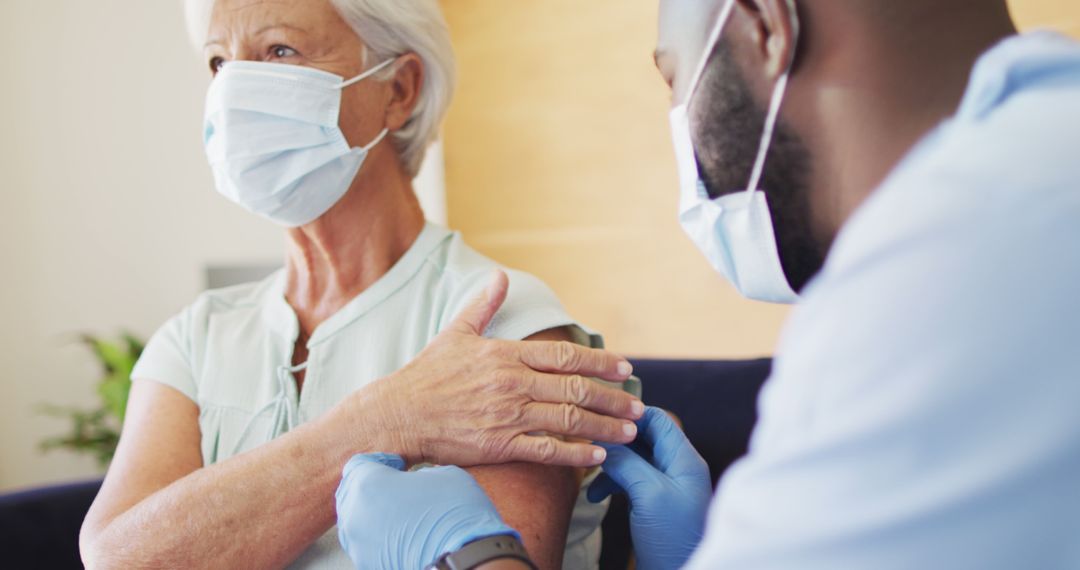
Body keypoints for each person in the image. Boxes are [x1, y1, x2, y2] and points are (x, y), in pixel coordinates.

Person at [335, 0, 1080, 568]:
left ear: (766, 28)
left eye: (675, 79)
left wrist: (466, 555)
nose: (680, 129)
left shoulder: (945, 272)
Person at [78, 0, 648, 568]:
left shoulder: (501, 317)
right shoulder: (196, 336)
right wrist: (380, 423)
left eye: (280, 50)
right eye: (220, 63)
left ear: (398, 89)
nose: (235, 90)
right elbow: (118, 559)